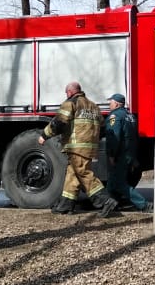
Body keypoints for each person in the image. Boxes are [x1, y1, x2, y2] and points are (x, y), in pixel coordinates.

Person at [39, 81, 119, 217]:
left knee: (84, 174)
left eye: (66, 93)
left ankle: (105, 201)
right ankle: (65, 206)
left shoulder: (71, 103)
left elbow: (59, 122)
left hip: (76, 147)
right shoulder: (93, 106)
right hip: (89, 148)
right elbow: (103, 127)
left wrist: (44, 135)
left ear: (70, 92)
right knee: (73, 175)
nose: (66, 95)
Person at [104, 93, 148, 212]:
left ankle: (143, 204)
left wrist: (112, 155)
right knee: (112, 183)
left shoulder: (115, 116)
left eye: (111, 102)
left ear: (117, 104)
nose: (109, 104)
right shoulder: (130, 116)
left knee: (118, 183)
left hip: (121, 155)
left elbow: (115, 137)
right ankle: (109, 205)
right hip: (130, 154)